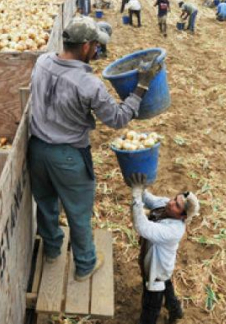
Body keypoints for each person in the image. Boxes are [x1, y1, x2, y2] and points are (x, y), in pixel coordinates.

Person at [28, 17, 162, 281]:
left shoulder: (42, 62)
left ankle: (52, 250)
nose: (98, 51)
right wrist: (142, 86)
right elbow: (118, 119)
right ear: (87, 46)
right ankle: (86, 264)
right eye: (96, 46)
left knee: (45, 203)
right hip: (67, 157)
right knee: (78, 212)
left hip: (37, 150)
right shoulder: (88, 84)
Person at [126, 173, 200, 324]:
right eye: (175, 199)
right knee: (167, 285)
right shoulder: (167, 205)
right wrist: (141, 186)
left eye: (177, 206)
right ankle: (176, 311)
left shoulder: (174, 230)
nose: (171, 203)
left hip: (157, 273)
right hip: (163, 267)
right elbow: (149, 199)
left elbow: (142, 226)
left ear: (183, 217)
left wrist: (136, 195)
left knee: (150, 308)